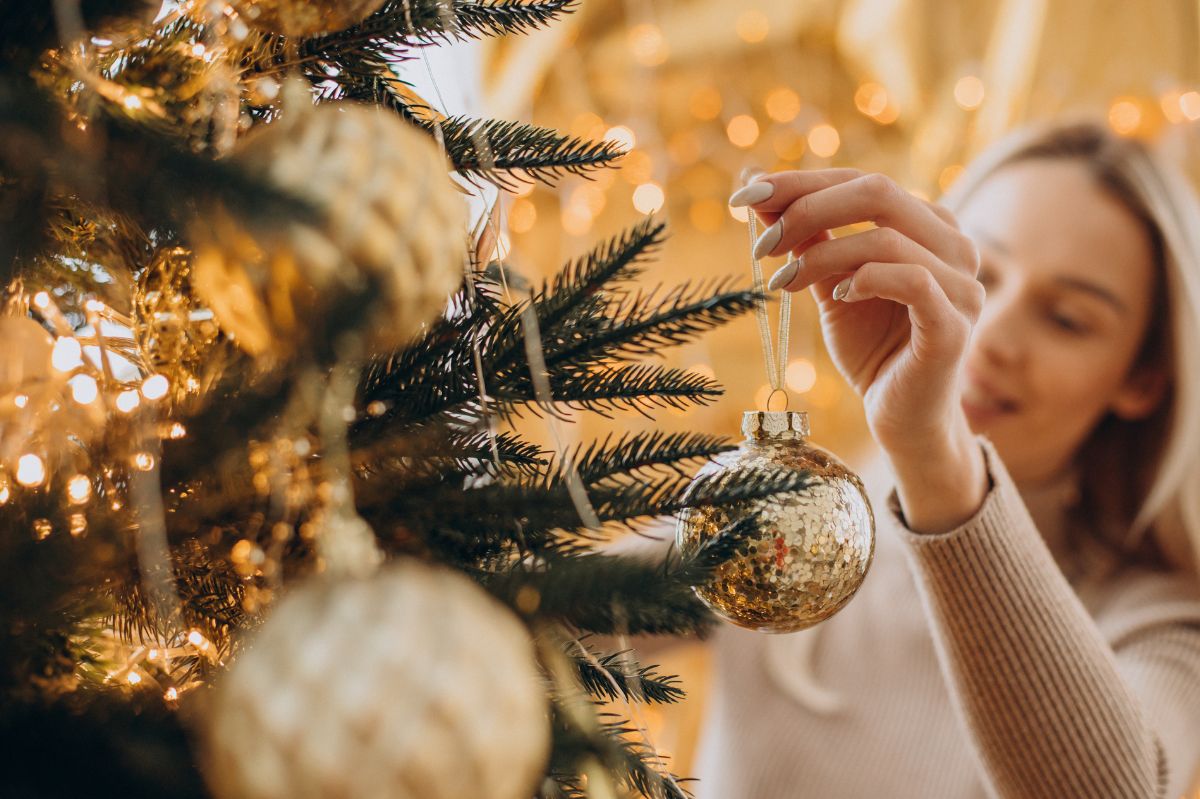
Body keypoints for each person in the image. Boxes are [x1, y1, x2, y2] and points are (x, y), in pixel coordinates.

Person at [690, 121, 1200, 798]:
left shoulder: (1162, 623)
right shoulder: (790, 525)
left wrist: (932, 452)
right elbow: (532, 600)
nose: (991, 337)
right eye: (980, 276)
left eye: (1068, 318)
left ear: (1142, 380)